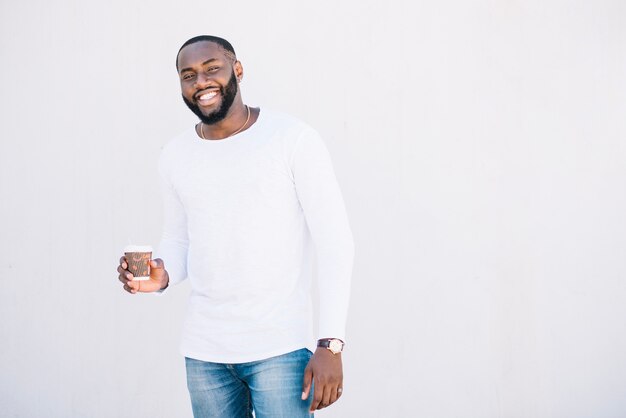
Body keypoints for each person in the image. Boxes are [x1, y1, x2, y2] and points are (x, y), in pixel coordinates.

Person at [116, 35, 354, 418]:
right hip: (204, 352)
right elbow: (179, 239)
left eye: (212, 69)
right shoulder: (175, 155)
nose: (201, 82)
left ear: (237, 70)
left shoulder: (292, 139)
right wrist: (159, 275)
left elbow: (335, 243)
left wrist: (331, 344)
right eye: (188, 75)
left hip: (280, 348)